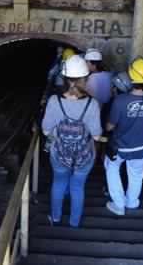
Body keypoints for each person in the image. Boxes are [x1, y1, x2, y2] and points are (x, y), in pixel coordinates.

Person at [42, 55, 104, 228]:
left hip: (59, 154)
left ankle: (55, 218)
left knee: (59, 183)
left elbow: (46, 130)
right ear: (85, 78)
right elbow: (97, 136)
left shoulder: (55, 102)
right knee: (77, 187)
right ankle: (74, 222)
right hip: (84, 156)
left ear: (64, 77)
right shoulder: (92, 104)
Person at [104, 57, 143, 216]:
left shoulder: (120, 101)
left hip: (120, 147)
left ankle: (119, 204)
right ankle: (132, 202)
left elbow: (110, 126)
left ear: (130, 78)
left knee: (111, 168)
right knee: (136, 175)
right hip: (142, 148)